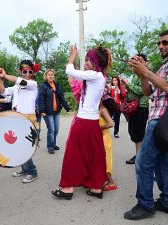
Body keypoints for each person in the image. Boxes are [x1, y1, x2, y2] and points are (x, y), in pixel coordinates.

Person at [124, 29, 168, 220]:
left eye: (165, 42)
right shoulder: (164, 65)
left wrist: (146, 70)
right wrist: (141, 75)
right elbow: (148, 92)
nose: (160, 46)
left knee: (143, 161)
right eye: (159, 43)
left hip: (165, 119)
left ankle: (145, 205)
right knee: (161, 162)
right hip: (159, 118)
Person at [51, 44, 111, 200]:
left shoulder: (95, 75)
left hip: (83, 120)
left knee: (73, 153)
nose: (85, 63)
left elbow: (69, 71)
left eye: (89, 60)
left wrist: (73, 55)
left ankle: (67, 188)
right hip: (92, 121)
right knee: (95, 154)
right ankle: (96, 187)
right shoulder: (101, 76)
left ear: (96, 63)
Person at [0, 59, 39, 183]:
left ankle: (33, 171)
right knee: (18, 145)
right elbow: (3, 92)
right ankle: (25, 169)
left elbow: (20, 81)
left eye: (30, 71)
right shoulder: (16, 86)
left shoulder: (32, 84)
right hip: (17, 118)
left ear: (32, 73)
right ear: (20, 71)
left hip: (29, 118)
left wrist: (5, 75)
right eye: (24, 71)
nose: (27, 73)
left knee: (24, 147)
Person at [122, 54, 149, 165]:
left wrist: (128, 85)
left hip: (141, 107)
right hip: (134, 108)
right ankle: (139, 155)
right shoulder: (134, 75)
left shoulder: (143, 74)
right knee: (135, 133)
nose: (132, 65)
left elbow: (141, 90)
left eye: (134, 62)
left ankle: (140, 158)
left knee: (139, 134)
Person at [38, 69, 70, 154]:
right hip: (47, 112)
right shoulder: (43, 86)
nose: (50, 76)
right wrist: (42, 110)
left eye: (52, 74)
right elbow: (40, 100)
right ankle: (50, 146)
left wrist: (67, 107)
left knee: (56, 129)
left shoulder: (57, 85)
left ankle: (53, 143)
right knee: (51, 130)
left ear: (53, 76)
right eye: (49, 75)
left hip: (56, 111)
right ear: (46, 76)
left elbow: (61, 97)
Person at [99, 97, 118, 191]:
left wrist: (99, 128)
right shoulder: (100, 110)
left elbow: (111, 123)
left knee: (104, 161)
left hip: (105, 139)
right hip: (103, 138)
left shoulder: (103, 110)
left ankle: (111, 183)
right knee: (101, 160)